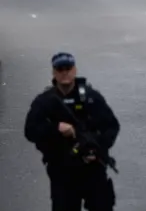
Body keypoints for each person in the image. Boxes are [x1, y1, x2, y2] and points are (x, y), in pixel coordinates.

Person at [24, 52, 120, 211]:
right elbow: (30, 130)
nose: (64, 72)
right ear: (54, 72)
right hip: (62, 170)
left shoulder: (91, 97)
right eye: (60, 69)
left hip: (93, 168)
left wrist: (98, 148)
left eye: (68, 68)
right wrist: (55, 129)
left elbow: (111, 126)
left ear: (75, 70)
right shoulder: (45, 101)